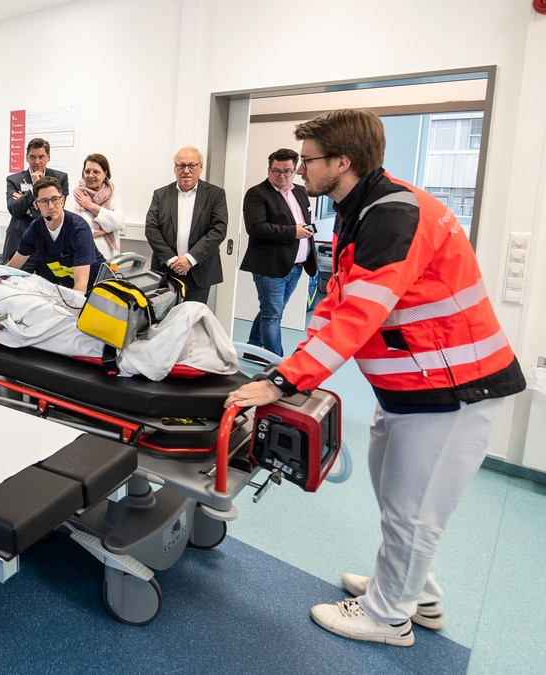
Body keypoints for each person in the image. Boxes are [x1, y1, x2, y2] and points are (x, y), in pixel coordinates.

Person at [225, 109, 525, 648]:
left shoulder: (392, 215)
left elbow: (359, 313)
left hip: (452, 389)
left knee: (414, 508)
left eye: (309, 161)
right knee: (394, 490)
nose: (301, 171)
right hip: (411, 385)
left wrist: (282, 382)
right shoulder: (358, 207)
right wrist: (297, 365)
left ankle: (389, 616)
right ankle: (414, 590)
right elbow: (337, 297)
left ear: (343, 161)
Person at [0, 251, 236, 380]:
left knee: (86, 306)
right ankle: (130, 355)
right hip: (0, 303)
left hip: (20, 285)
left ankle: (151, 322)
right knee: (63, 327)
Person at [239, 148, 318, 356]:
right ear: (268, 170)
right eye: (276, 171)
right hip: (270, 266)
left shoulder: (300, 191)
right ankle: (276, 362)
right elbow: (256, 228)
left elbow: (303, 222)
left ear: (295, 170)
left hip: (296, 266)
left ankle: (253, 347)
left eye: (287, 171)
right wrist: (294, 232)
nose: (282, 176)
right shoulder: (257, 194)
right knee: (273, 315)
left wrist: (306, 231)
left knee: (271, 311)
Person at [143, 147, 228, 304]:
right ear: (175, 168)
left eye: (192, 165)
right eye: (181, 166)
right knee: (163, 321)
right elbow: (151, 229)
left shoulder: (215, 194)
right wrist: (172, 260)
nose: (186, 171)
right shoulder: (160, 195)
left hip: (199, 271)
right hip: (166, 270)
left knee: (192, 320)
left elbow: (219, 230)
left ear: (201, 167)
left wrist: (189, 259)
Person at [6, 176, 104, 292]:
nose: (51, 206)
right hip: (69, 288)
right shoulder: (36, 229)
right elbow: (13, 266)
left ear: (62, 201)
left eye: (55, 199)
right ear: (36, 206)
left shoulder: (78, 229)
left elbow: (81, 284)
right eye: (44, 201)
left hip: (97, 288)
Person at [3, 138, 69, 270]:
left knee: (48, 288)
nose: (37, 161)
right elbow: (14, 210)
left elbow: (55, 212)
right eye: (32, 157)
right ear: (27, 157)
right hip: (20, 245)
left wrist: (28, 210)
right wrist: (33, 188)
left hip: (48, 245)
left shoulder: (60, 178)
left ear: (48, 157)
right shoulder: (13, 180)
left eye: (41, 157)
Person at [65, 153, 125, 259]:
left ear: (105, 174)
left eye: (96, 172)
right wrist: (105, 230)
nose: (90, 175)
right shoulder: (74, 197)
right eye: (87, 171)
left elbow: (118, 222)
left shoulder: (114, 196)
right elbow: (71, 230)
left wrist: (90, 205)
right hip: (83, 257)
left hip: (110, 258)